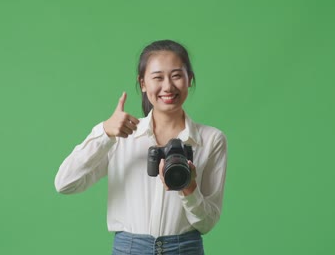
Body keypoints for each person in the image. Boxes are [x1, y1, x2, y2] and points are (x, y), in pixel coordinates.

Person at [55, 40, 228, 255]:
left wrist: (189, 188)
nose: (168, 86)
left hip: (185, 249)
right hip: (130, 249)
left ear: (189, 80)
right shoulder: (121, 136)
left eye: (176, 76)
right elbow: (65, 183)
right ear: (143, 83)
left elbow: (207, 223)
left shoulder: (211, 139)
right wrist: (104, 132)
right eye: (157, 77)